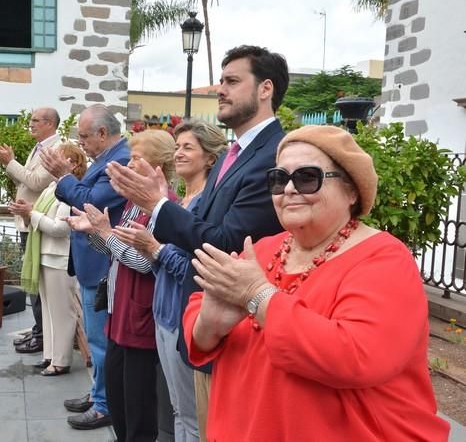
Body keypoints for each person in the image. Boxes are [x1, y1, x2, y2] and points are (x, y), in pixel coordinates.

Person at [184, 125, 450, 441]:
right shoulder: (264, 248)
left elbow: (358, 356)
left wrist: (258, 295)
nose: (290, 189)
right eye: (279, 179)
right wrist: (209, 326)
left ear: (352, 191)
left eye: (307, 177)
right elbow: (201, 308)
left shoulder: (384, 258)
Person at [105, 45, 289, 439]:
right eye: (221, 81)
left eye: (232, 81)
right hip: (201, 313)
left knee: (206, 426)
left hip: (237, 321)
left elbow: (223, 242)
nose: (220, 89)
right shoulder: (234, 153)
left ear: (265, 89)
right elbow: (201, 225)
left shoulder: (274, 154)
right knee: (187, 418)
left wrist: (156, 207)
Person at [112, 120, 227, 442]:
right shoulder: (179, 200)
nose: (179, 153)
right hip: (163, 314)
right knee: (178, 409)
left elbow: (194, 265)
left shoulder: (204, 205)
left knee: (191, 414)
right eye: (177, 147)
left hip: (183, 314)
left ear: (210, 159)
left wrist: (154, 250)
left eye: (188, 147)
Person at [67, 130, 176, 441]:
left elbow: (145, 263)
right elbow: (117, 255)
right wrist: (94, 232)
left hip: (139, 319)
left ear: (158, 166)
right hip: (120, 315)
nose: (129, 164)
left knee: (138, 409)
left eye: (137, 158)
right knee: (118, 400)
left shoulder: (164, 206)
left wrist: (106, 232)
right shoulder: (133, 202)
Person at [39, 104, 130, 430]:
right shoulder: (107, 159)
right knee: (95, 337)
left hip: (102, 262)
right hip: (93, 260)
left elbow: (92, 203)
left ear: (103, 134)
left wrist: (64, 176)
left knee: (100, 339)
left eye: (84, 136)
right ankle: (98, 393)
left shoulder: (120, 161)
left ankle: (105, 405)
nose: (81, 143)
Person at [0, 107, 62, 355]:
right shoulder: (39, 145)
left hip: (38, 221)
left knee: (38, 281)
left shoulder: (56, 148)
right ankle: (39, 328)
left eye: (35, 120)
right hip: (28, 218)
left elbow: (38, 182)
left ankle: (42, 334)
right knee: (31, 279)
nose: (30, 124)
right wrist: (9, 164)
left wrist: (10, 161)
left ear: (50, 123)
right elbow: (26, 180)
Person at [8, 142, 87, 376]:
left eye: (56, 157)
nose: (49, 161)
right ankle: (50, 356)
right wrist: (27, 211)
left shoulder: (72, 188)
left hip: (59, 257)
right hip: (44, 254)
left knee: (62, 312)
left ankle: (61, 360)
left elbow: (60, 228)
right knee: (49, 311)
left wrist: (31, 213)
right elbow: (41, 215)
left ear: (72, 163)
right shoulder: (51, 186)